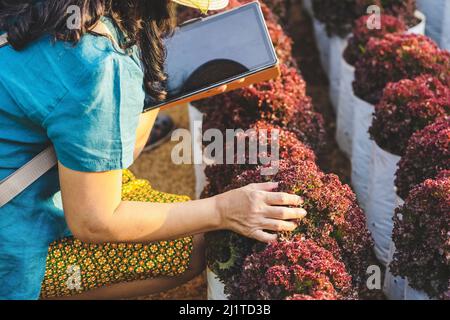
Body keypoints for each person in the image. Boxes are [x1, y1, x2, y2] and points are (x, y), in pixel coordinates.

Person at [0, 0, 307, 300]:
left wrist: (161, 85)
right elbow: (95, 220)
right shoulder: (101, 64)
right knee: (189, 248)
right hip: (12, 236)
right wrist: (222, 211)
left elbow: (114, 149)